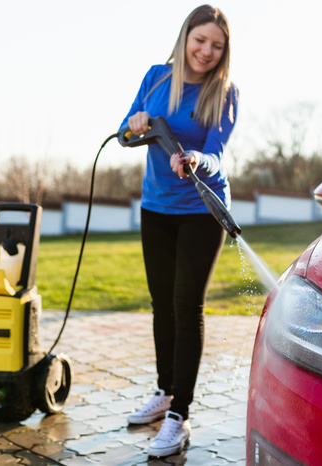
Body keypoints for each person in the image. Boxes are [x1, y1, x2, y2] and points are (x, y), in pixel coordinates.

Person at [119, 4, 238, 458]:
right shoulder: (156, 77)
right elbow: (124, 132)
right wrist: (135, 127)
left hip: (201, 209)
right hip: (157, 208)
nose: (206, 51)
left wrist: (193, 159)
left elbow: (217, 153)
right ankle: (164, 391)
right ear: (185, 36)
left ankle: (178, 417)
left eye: (217, 46)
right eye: (200, 40)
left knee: (187, 308)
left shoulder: (224, 92)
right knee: (161, 306)